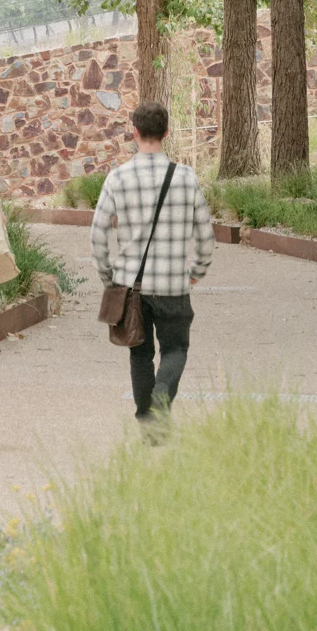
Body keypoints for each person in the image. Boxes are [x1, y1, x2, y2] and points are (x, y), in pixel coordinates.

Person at [90, 102, 214, 435]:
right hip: (174, 284)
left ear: (134, 132)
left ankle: (147, 417)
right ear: (166, 133)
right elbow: (205, 234)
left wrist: (109, 277)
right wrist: (197, 270)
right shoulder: (186, 177)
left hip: (133, 286)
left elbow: (97, 234)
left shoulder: (118, 178)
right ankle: (162, 401)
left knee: (139, 352)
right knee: (175, 348)